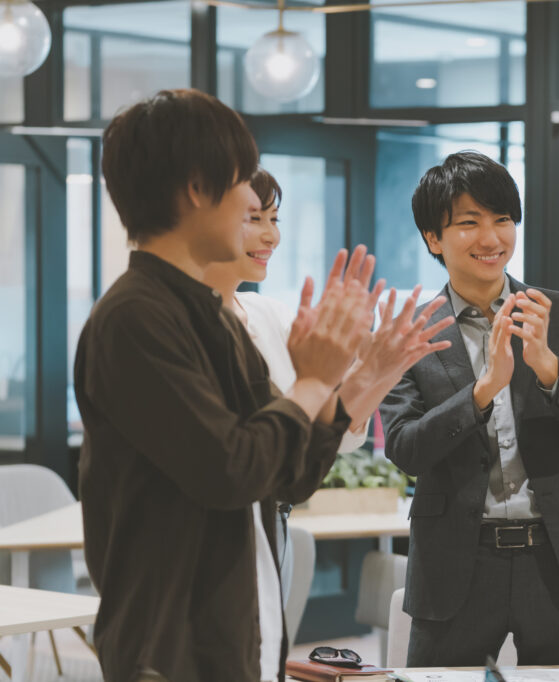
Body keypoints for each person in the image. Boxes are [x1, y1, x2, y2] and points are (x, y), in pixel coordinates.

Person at [75, 89, 379, 682]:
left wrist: (345, 380)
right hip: (169, 650)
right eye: (243, 183)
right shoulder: (135, 317)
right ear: (196, 188)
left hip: (241, 630)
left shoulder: (213, 315)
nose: (251, 204)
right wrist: (313, 379)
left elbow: (286, 474)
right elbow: (230, 470)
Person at [379, 151, 559, 666]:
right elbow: (405, 449)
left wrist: (549, 367)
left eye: (503, 220)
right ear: (433, 238)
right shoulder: (410, 328)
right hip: (456, 563)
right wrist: (482, 390)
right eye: (469, 223)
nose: (491, 238)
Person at [202, 166, 453, 607]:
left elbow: (332, 438)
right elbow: (247, 455)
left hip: (272, 525)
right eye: (254, 218)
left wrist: (380, 371)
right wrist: (341, 376)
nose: (271, 237)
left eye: (274, 220)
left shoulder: (269, 314)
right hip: (213, 537)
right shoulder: (181, 326)